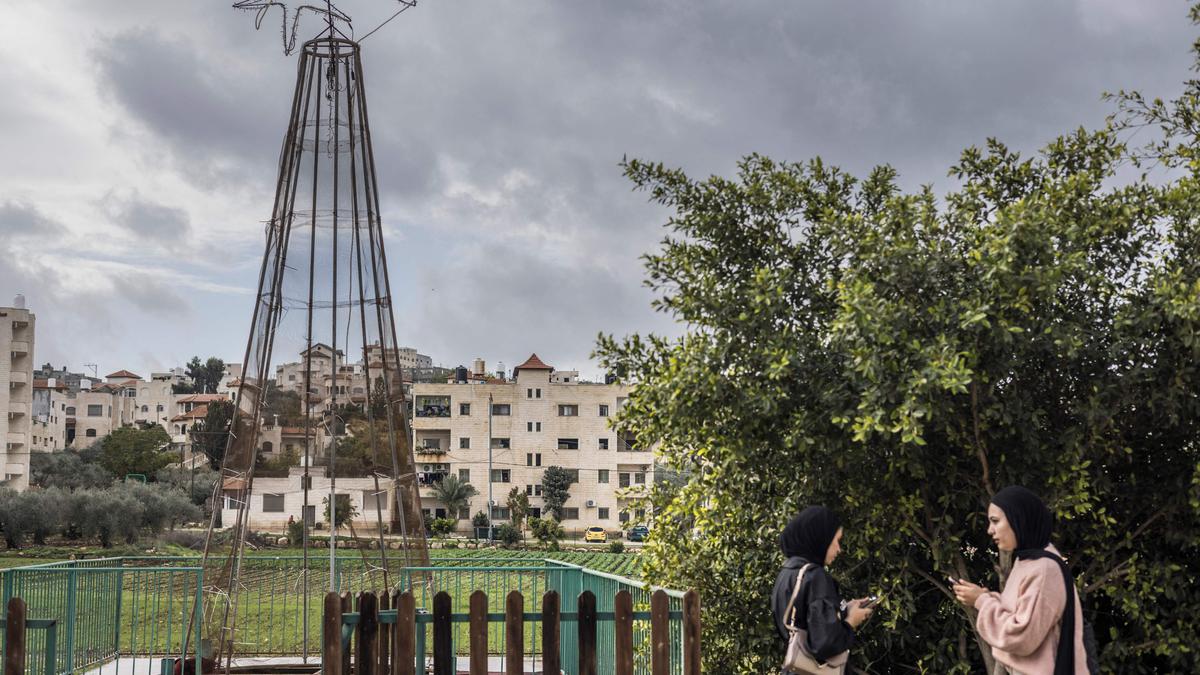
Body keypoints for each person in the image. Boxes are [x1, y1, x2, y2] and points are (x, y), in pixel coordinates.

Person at [953, 486, 1088, 674]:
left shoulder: (1044, 568)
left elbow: (1022, 636)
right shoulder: (1028, 561)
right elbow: (1019, 612)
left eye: (995, 521)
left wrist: (981, 601)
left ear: (1019, 519)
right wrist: (985, 597)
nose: (990, 530)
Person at [772, 506, 874, 671]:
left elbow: (803, 623)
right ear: (820, 538)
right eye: (836, 540)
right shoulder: (815, 576)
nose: (838, 549)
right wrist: (850, 622)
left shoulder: (788, 573)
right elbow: (825, 643)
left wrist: (843, 610)